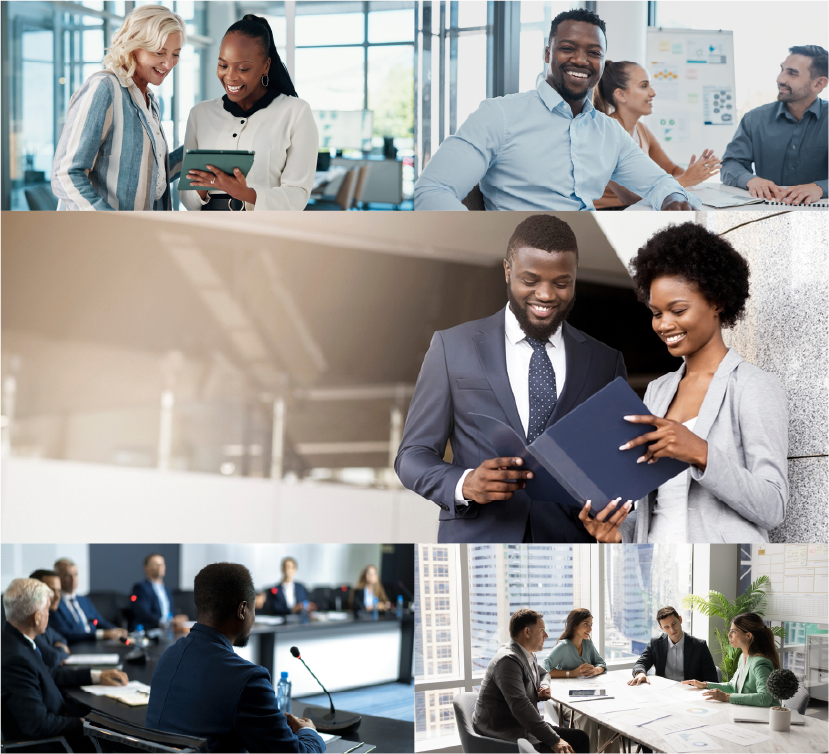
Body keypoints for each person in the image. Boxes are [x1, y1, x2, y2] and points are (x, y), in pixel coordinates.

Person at [395, 214, 631, 543]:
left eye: (561, 283)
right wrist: (466, 483)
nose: (546, 295)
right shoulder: (452, 347)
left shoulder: (605, 362)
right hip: (478, 546)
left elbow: (618, 467)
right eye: (530, 280)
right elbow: (411, 457)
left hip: (570, 549)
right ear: (508, 270)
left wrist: (615, 511)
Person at [579, 222, 788, 544]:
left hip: (717, 578)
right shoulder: (658, 390)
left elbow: (773, 507)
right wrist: (618, 533)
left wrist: (700, 452)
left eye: (678, 310)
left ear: (716, 301)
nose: (664, 324)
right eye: (656, 313)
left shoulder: (752, 386)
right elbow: (657, 506)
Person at [414, 9, 698, 211]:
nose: (581, 60)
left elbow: (659, 182)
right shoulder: (498, 115)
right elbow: (433, 190)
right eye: (568, 48)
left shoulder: (609, 131)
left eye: (594, 53)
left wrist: (672, 198)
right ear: (547, 53)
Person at [146, 562, 324, 754]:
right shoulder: (248, 680)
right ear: (242, 610)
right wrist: (308, 732)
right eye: (254, 610)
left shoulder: (168, 656)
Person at [52, 5, 186, 211]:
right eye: (160, 52)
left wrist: (194, 154)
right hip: (104, 236)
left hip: (141, 233)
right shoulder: (104, 89)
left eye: (176, 54)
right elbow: (66, 174)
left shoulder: (150, 101)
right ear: (134, 46)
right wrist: (109, 223)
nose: (168, 64)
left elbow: (150, 176)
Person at [181, 15, 318, 211]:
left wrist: (245, 194)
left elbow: (298, 195)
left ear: (266, 66)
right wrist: (204, 186)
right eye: (223, 65)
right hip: (208, 229)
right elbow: (186, 197)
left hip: (263, 231)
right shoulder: (199, 114)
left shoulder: (296, 112)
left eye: (243, 68)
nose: (230, 77)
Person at [0, 579, 127, 751]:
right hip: (51, 745)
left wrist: (96, 676)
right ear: (37, 617)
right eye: (46, 610)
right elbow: (39, 725)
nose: (48, 615)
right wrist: (85, 724)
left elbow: (47, 674)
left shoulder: (16, 641)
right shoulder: (15, 658)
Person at [592, 61, 721, 209]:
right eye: (644, 86)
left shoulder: (642, 130)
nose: (653, 93)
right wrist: (685, 180)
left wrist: (693, 172)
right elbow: (629, 196)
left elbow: (671, 170)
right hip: (609, 212)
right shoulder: (606, 133)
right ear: (621, 95)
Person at [720, 45, 829, 206]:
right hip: (768, 209)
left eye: (792, 73)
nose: (780, 79)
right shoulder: (755, 118)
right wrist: (751, 180)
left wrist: (820, 188)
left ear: (818, 84)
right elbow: (730, 164)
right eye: (782, 70)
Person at [473, 609, 589, 754]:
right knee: (568, 745)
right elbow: (521, 707)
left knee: (581, 738)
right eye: (542, 630)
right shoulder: (508, 660)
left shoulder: (526, 654)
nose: (546, 635)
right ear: (527, 632)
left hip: (522, 726)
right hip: (508, 734)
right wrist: (554, 740)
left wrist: (543, 686)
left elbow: (544, 673)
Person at [542, 608, 611, 754]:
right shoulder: (563, 647)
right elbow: (545, 669)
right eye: (586, 624)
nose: (590, 628)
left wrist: (595, 670)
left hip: (589, 694)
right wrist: (570, 673)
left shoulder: (588, 645)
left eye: (591, 624)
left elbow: (602, 665)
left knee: (609, 714)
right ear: (574, 625)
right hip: (568, 699)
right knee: (587, 716)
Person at [683, 612, 780, 707]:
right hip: (748, 713)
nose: (729, 635)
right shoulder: (743, 657)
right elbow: (732, 686)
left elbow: (765, 698)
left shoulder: (760, 663)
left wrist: (726, 697)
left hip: (764, 718)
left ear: (748, 636)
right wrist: (704, 685)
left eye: (734, 631)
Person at [628, 606, 718, 685]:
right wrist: (640, 673)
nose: (672, 630)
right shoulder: (655, 643)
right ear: (661, 628)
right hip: (665, 693)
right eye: (666, 627)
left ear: (680, 619)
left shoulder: (699, 646)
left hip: (690, 693)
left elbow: (712, 680)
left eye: (674, 623)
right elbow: (641, 663)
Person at [50, 557, 128, 644]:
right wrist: (101, 635)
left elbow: (99, 621)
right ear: (57, 577)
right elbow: (67, 635)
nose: (73, 579)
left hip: (96, 645)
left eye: (76, 574)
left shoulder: (84, 600)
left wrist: (115, 630)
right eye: (68, 575)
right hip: (77, 646)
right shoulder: (55, 604)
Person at [130, 553, 189, 630]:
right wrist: (167, 622)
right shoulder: (140, 588)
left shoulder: (167, 590)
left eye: (162, 564)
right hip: (150, 630)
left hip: (168, 631)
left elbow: (169, 613)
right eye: (156, 564)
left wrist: (176, 619)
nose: (160, 567)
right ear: (146, 567)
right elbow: (143, 613)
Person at [29, 569, 71, 668]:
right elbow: (52, 658)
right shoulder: (30, 620)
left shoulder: (46, 616)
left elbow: (61, 638)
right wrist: (61, 650)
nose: (57, 596)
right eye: (51, 591)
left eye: (59, 591)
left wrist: (58, 647)